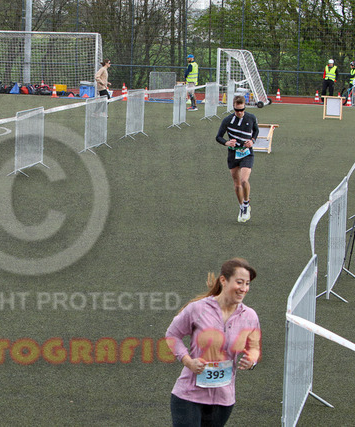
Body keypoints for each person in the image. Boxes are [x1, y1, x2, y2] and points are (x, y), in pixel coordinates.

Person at [166, 258, 261, 427]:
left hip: (223, 400)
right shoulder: (198, 309)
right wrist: (188, 361)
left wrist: (251, 361)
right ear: (223, 280)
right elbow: (172, 335)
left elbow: (254, 347)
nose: (244, 288)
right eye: (239, 282)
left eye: (247, 284)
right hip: (188, 395)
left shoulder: (250, 316)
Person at [215, 95, 259, 223]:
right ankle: (241, 207)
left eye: (242, 110)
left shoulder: (251, 118)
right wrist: (227, 143)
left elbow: (256, 131)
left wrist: (252, 141)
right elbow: (218, 137)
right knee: (237, 184)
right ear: (233, 108)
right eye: (237, 110)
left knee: (244, 180)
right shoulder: (227, 120)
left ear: (245, 107)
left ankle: (246, 204)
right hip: (233, 154)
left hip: (246, 153)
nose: (239, 112)